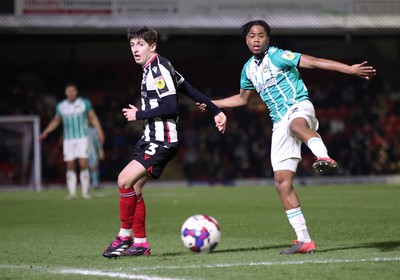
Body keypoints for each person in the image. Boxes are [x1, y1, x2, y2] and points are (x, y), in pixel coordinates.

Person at [199, 20, 376, 254]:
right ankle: (304, 240)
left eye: (261, 35)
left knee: (296, 125)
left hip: (299, 107)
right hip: (279, 122)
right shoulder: (248, 69)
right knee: (282, 183)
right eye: (252, 36)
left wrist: (349, 69)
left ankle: (324, 156)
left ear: (268, 39)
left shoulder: (279, 56)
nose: (256, 40)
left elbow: (313, 62)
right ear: (246, 40)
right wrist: (213, 104)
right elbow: (243, 99)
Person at [102, 26, 227, 258]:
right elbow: (187, 87)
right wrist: (215, 109)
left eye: (140, 44)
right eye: (132, 45)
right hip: (149, 137)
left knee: (124, 180)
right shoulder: (159, 66)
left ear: (153, 46)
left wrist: (138, 115)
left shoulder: (158, 70)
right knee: (135, 187)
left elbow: (171, 105)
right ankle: (140, 244)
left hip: (162, 139)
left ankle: (124, 235)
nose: (135, 49)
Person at [39, 83, 105, 199]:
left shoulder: (84, 103)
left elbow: (93, 117)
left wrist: (100, 132)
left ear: (76, 92)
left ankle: (85, 192)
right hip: (68, 139)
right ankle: (72, 193)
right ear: (66, 93)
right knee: (70, 164)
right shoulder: (61, 106)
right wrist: (46, 132)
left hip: (82, 137)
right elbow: (56, 121)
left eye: (73, 91)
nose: (71, 93)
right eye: (69, 91)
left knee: (83, 163)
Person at [87, 125, 105, 189]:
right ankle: (86, 184)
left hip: (92, 151)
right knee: (84, 168)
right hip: (82, 151)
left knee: (94, 167)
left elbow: (97, 141)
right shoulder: (79, 129)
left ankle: (95, 184)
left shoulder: (93, 130)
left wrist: (100, 150)